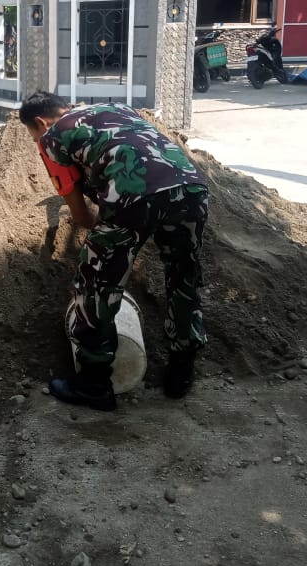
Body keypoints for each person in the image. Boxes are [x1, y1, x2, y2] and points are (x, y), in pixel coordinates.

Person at [19, 91, 209, 411]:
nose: (37, 140)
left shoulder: (52, 137)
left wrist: (105, 238)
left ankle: (94, 385)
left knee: (95, 287)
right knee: (183, 275)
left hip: (134, 195)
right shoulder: (115, 108)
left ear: (40, 122)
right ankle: (182, 370)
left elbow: (80, 213)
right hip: (190, 187)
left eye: (33, 134)